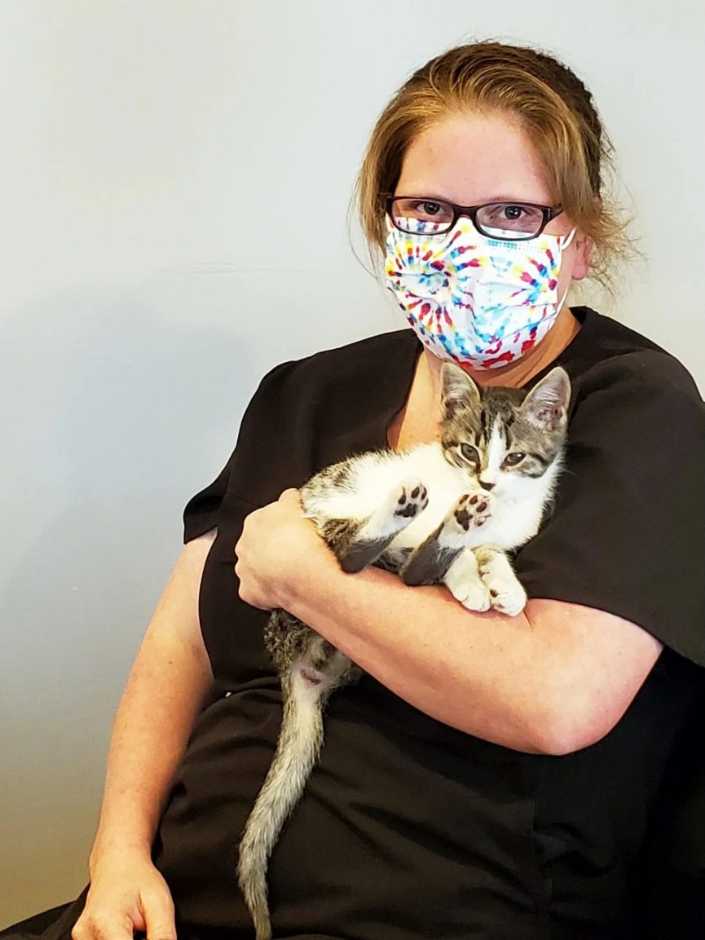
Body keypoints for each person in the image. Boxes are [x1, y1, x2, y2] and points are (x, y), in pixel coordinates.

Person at [3, 39, 704, 940]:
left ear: (579, 239)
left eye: (509, 212)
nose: (462, 243)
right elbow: (181, 642)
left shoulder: (631, 405)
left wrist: (310, 578)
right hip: (181, 888)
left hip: (433, 899)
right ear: (387, 223)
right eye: (428, 209)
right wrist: (117, 859)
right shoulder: (306, 393)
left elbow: (557, 701)